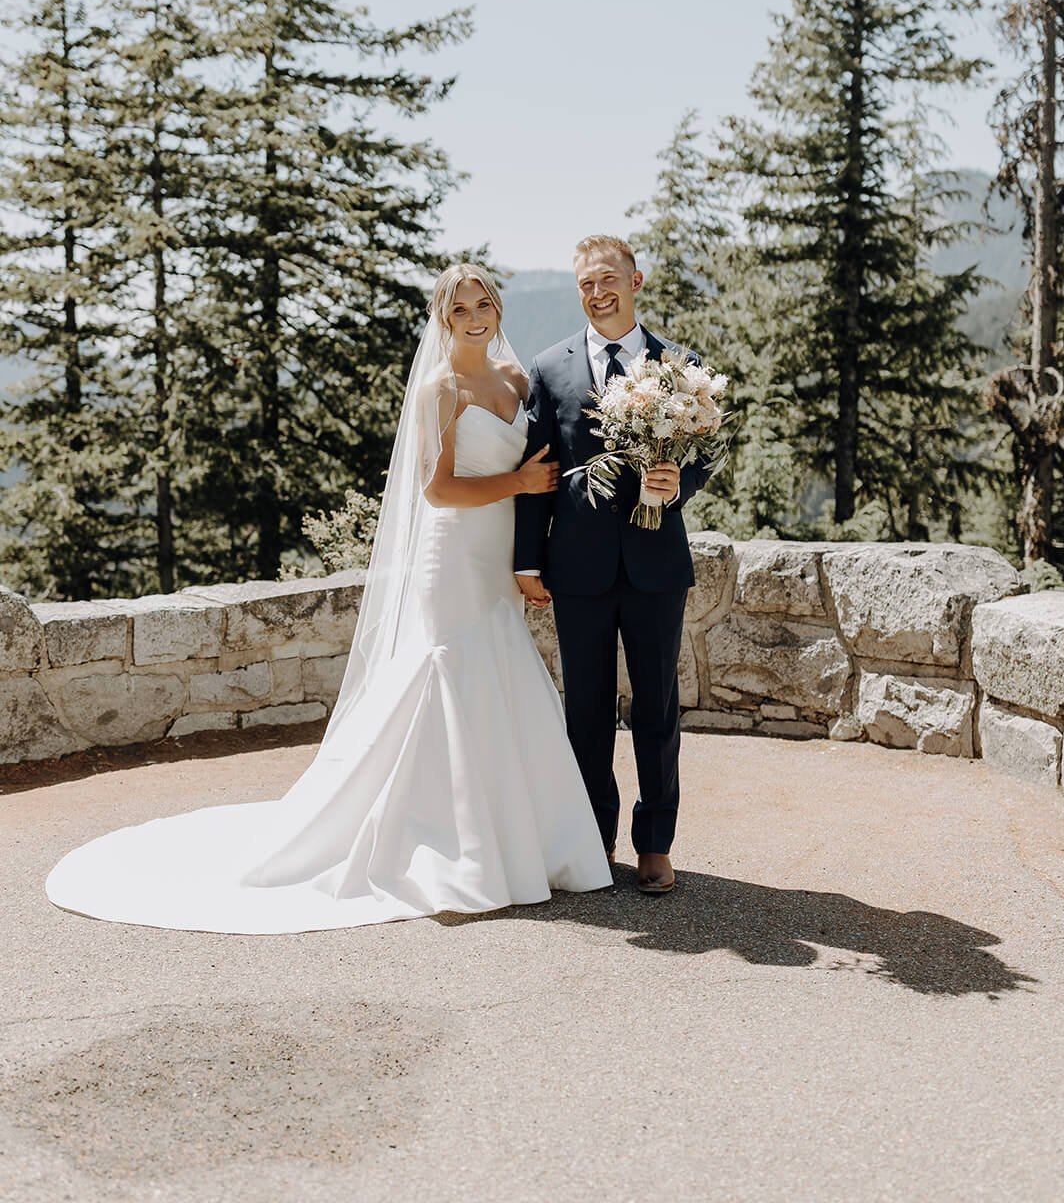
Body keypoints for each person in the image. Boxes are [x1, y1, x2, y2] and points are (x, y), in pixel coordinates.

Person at [45, 265, 612, 933]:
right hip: (453, 556)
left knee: (505, 678)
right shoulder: (440, 390)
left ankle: (524, 843)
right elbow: (437, 492)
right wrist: (517, 481)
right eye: (459, 308)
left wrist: (533, 542)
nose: (474, 316)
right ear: (443, 319)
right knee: (452, 675)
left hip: (499, 560)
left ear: (495, 308)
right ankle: (453, 848)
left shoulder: (517, 381)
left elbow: (550, 468)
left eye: (482, 302)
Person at [514, 234, 709, 895]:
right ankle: (589, 837)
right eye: (585, 285)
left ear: (636, 280)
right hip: (577, 567)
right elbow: (535, 474)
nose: (597, 293)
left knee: (657, 710)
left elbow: (705, 452)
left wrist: (675, 482)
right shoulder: (549, 367)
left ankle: (654, 844)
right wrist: (525, 560)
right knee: (585, 714)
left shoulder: (681, 367)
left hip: (656, 566)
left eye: (607, 280)